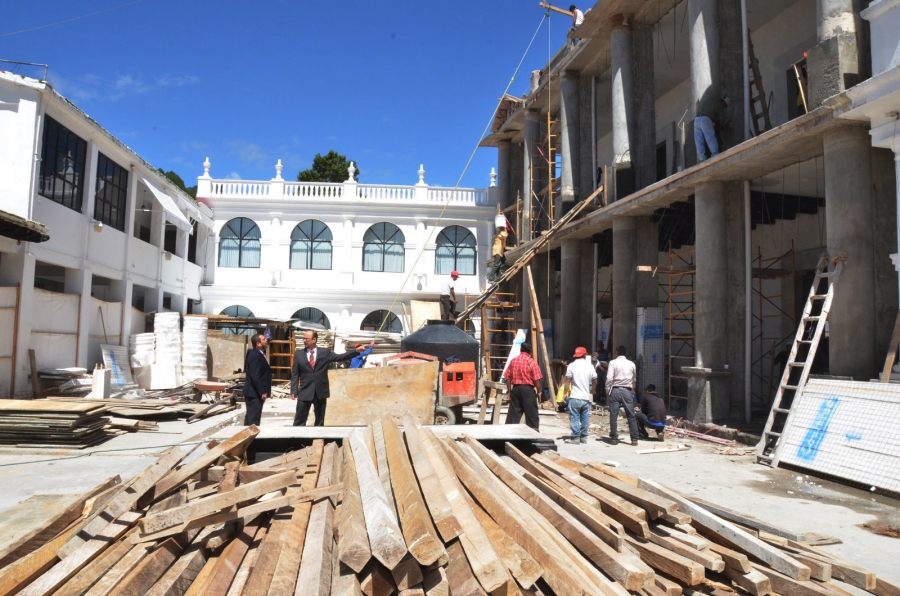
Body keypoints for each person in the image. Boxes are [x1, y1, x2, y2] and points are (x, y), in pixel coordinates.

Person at [291, 329, 367, 426]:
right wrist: (294, 390)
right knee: (300, 419)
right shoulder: (299, 354)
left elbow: (340, 357)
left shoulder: (324, 352)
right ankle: (297, 440)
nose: (304, 341)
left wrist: (356, 351)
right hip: (305, 391)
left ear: (314, 339)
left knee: (319, 420)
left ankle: (318, 440)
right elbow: (295, 373)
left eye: (307, 339)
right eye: (304, 339)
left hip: (320, 392)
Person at [504, 342, 543, 432]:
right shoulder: (532, 362)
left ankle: (511, 434)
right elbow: (536, 380)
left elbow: (507, 377)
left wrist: (509, 391)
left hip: (516, 389)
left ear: (521, 350)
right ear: (530, 352)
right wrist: (539, 391)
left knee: (514, 414)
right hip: (528, 390)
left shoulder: (513, 361)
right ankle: (534, 432)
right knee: (531, 414)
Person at [563, 347, 597, 445]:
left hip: (575, 396)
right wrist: (593, 390)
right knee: (585, 417)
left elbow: (568, 381)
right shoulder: (590, 366)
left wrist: (565, 393)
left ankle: (575, 438)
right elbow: (595, 380)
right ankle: (583, 437)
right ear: (585, 355)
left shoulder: (571, 366)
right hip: (586, 397)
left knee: (574, 416)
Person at [606, 345, 639, 446]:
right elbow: (634, 378)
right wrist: (632, 388)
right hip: (627, 391)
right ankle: (634, 439)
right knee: (631, 415)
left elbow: (609, 378)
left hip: (615, 390)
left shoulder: (613, 363)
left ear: (616, 353)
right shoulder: (631, 364)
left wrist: (607, 389)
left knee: (613, 415)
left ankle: (614, 438)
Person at [243, 333, 271, 426]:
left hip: (255, 393)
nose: (266, 340)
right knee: (253, 421)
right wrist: (262, 391)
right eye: (263, 339)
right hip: (253, 393)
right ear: (258, 343)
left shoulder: (259, 354)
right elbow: (255, 375)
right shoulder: (254, 355)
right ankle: (252, 440)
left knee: (251, 418)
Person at [694, 95, 730, 162]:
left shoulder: (711, 99)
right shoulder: (719, 105)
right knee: (710, 138)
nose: (724, 107)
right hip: (705, 119)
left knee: (699, 140)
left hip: (696, 120)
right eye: (725, 106)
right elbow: (721, 120)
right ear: (724, 103)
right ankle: (715, 155)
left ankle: (702, 158)